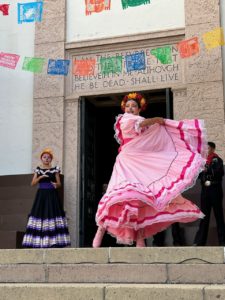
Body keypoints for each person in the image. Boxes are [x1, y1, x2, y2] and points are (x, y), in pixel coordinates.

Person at [92, 92, 207, 248]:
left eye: (133, 106)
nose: (130, 108)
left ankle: (140, 238)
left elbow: (151, 139)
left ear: (139, 109)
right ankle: (100, 231)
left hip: (140, 163)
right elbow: (140, 125)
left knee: (140, 199)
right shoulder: (125, 120)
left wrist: (162, 126)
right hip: (126, 164)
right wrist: (157, 120)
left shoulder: (142, 123)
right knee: (117, 196)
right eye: (127, 106)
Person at [22, 148, 71, 248]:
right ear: (41, 159)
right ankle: (38, 242)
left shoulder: (55, 169)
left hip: (51, 195)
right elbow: (32, 183)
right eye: (44, 157)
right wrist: (40, 177)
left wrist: (55, 184)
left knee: (52, 214)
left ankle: (53, 241)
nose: (46, 159)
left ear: (51, 159)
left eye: (49, 157)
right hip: (41, 195)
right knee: (40, 214)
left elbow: (59, 184)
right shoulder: (38, 170)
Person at [194, 142, 225, 246]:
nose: (205, 151)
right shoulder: (202, 161)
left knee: (218, 216)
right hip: (205, 191)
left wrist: (207, 170)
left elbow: (219, 172)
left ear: (212, 149)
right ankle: (200, 242)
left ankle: (222, 241)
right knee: (204, 216)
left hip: (215, 189)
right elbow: (198, 175)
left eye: (207, 148)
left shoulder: (217, 160)